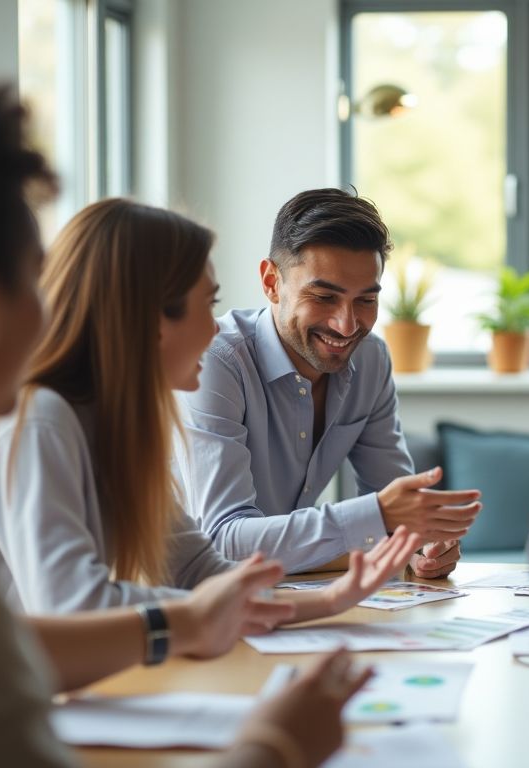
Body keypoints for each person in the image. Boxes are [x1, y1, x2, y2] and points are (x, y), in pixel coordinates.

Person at [0, 51, 365, 767]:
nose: (55, 308)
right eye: (37, 278)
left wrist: (244, 612)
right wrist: (276, 745)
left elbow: (19, 643)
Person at [0, 198, 420, 617]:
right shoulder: (42, 422)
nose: (215, 330)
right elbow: (76, 608)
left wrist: (331, 601)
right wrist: (200, 622)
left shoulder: (117, 427)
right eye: (207, 306)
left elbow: (195, 569)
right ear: (147, 319)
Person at [178, 188, 480, 577]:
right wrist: (377, 515)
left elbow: (398, 506)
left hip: (281, 592)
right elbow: (224, 542)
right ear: (272, 282)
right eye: (324, 297)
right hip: (184, 594)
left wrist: (421, 545)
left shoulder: (370, 360)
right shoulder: (215, 363)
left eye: (366, 301)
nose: (347, 325)